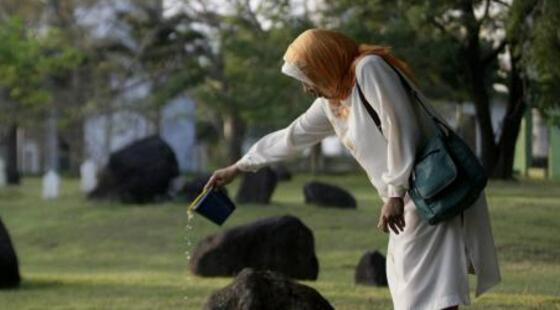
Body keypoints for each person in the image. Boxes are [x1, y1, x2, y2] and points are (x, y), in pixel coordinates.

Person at [204, 28, 501, 310]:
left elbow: (400, 126)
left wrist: (395, 193)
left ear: (324, 61)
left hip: (430, 188)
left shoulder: (368, 69)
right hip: (407, 200)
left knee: (425, 289)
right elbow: (290, 137)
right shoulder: (332, 102)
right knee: (414, 285)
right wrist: (237, 168)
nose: (306, 87)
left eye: (306, 77)